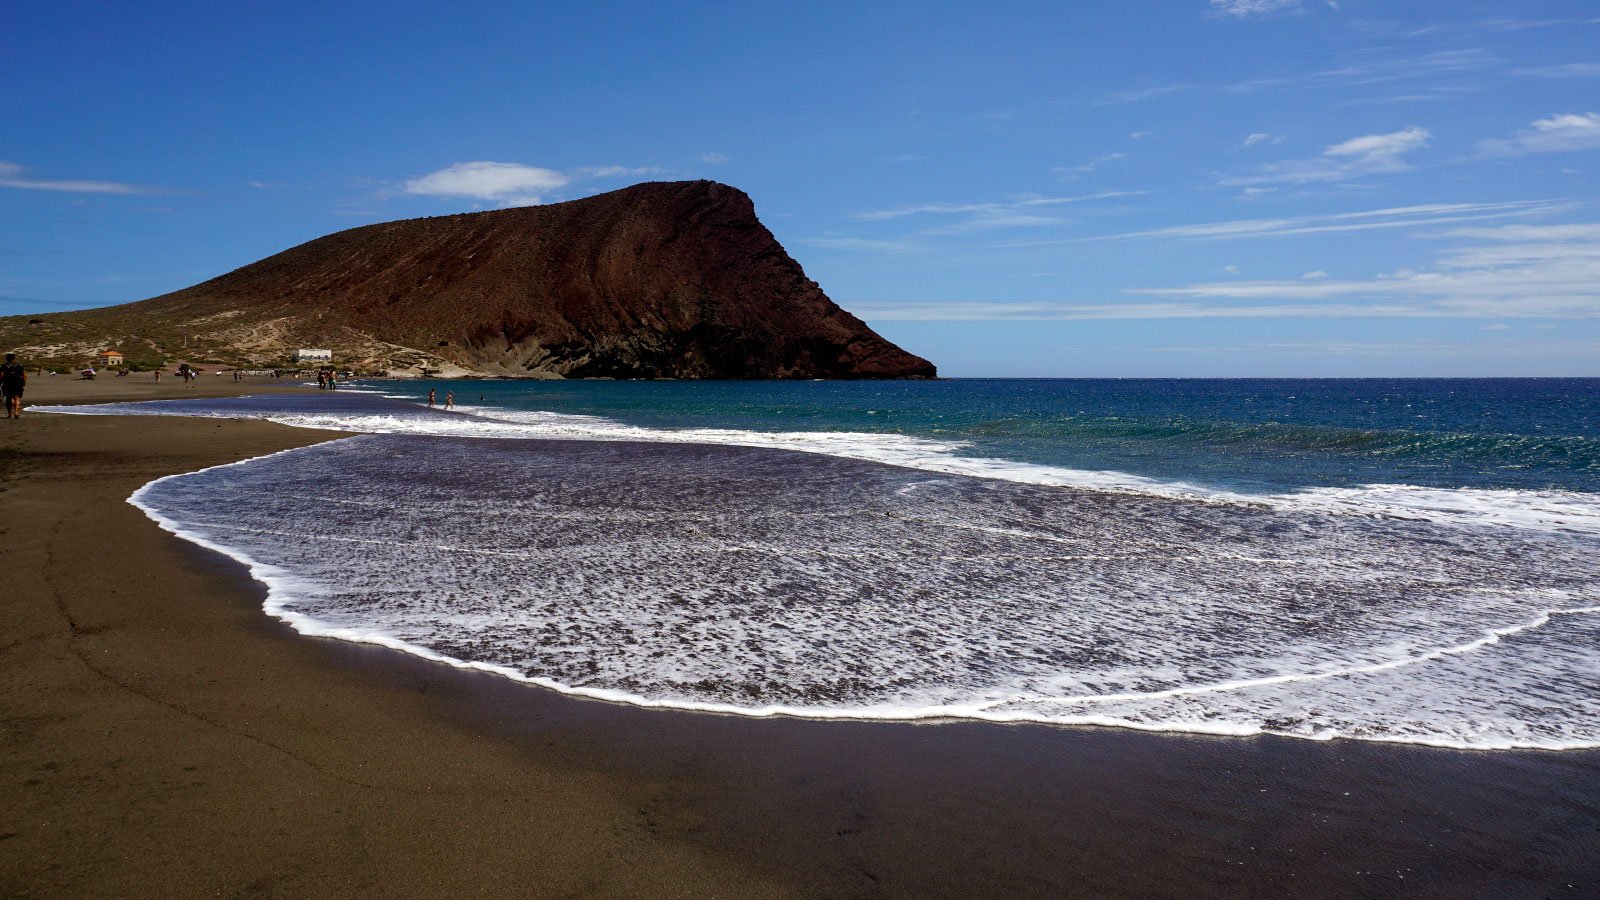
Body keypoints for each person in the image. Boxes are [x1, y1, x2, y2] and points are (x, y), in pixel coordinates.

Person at [2, 353, 26, 419]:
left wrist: (0, 383)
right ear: (14, 358)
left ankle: (9, 414)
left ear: (7, 358)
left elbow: (1, 375)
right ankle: (16, 413)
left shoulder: (4, 365)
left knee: (9, 398)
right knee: (16, 398)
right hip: (18, 383)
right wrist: (24, 384)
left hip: (7, 383)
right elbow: (24, 375)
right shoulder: (19, 365)